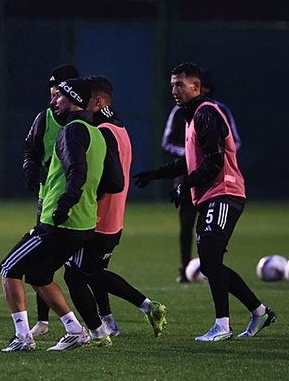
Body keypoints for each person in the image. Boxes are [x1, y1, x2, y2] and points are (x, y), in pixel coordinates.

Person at [134, 62, 276, 341]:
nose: (174, 90)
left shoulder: (206, 113)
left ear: (196, 87)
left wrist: (184, 184)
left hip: (225, 192)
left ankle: (222, 325)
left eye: (180, 84)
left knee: (210, 259)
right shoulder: (190, 116)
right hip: (211, 195)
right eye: (172, 84)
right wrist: (158, 174)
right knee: (211, 264)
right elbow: (191, 161)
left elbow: (214, 162)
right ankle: (260, 312)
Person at [0, 77, 110, 352]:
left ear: (72, 99)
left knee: (8, 268)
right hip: (82, 224)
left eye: (59, 96)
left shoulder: (71, 130)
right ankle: (75, 330)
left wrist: (63, 205)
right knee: (39, 275)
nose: (53, 101)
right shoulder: (97, 132)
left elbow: (77, 172)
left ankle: (23, 337)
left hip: (58, 223)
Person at [61, 76, 167, 344]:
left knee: (75, 276)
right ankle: (118, 319)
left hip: (98, 218)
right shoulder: (119, 127)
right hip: (113, 218)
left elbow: (112, 180)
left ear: (97, 102)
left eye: (85, 100)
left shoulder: (103, 132)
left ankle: (99, 333)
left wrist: (81, 194)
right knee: (93, 274)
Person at [161, 72, 242, 283]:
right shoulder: (180, 112)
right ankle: (186, 268)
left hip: (215, 181)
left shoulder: (217, 110)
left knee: (213, 232)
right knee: (187, 224)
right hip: (186, 179)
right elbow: (167, 141)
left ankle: (214, 266)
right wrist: (192, 157)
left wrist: (209, 157)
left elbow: (234, 141)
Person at [22, 64, 79, 336]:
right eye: (53, 86)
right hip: (48, 200)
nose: (54, 92)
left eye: (60, 86)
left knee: (83, 265)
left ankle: (103, 318)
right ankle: (43, 321)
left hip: (80, 200)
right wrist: (31, 171)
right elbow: (30, 152)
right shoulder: (44, 119)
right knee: (40, 262)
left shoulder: (85, 123)